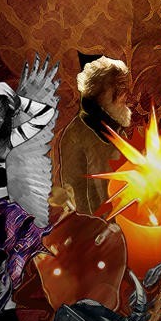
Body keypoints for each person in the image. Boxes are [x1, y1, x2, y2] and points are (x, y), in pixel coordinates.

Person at [59, 54, 132, 215]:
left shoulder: (117, 131)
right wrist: (98, 226)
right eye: (117, 85)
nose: (124, 93)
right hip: (99, 227)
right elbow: (76, 201)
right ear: (97, 91)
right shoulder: (75, 136)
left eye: (123, 85)